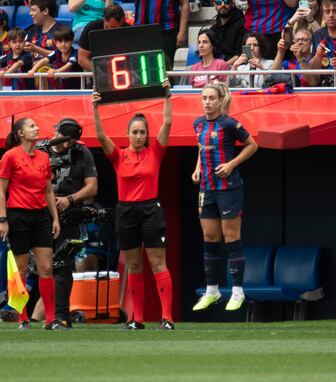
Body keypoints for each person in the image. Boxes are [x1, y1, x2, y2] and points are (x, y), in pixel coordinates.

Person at [91, 81, 174, 330]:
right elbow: (100, 135)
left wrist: (167, 96)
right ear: (128, 134)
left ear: (147, 134)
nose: (138, 136)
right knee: (134, 265)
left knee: (158, 264)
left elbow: (168, 123)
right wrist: (95, 107)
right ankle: (136, 319)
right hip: (125, 211)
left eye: (142, 132)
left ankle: (167, 318)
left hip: (150, 210)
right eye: (134, 132)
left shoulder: (155, 152)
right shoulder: (118, 155)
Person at [191, 82, 257, 312]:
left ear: (220, 100)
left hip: (229, 188)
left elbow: (252, 145)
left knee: (231, 238)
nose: (207, 102)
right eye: (204, 98)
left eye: (211, 98)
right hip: (206, 188)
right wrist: (197, 168)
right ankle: (212, 291)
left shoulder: (229, 124)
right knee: (210, 238)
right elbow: (201, 148)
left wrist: (231, 164)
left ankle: (238, 291)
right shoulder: (197, 124)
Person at [0, 117, 62, 330]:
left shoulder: (44, 157)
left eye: (36, 125)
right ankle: (23, 317)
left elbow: (48, 190)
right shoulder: (10, 156)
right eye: (32, 126)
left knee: (46, 268)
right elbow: (1, 189)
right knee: (21, 269)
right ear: (21, 133)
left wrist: (55, 218)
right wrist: (3, 219)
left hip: (41, 216)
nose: (37, 129)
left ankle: (50, 320)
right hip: (18, 216)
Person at [37, 118, 98, 327]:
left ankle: (61, 316)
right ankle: (33, 316)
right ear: (55, 131)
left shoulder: (82, 153)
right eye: (62, 139)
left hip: (69, 214)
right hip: (40, 213)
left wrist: (69, 199)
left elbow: (92, 187)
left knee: (64, 264)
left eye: (69, 141)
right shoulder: (40, 150)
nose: (64, 145)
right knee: (40, 266)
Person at [135, 0, 190, 69]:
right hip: (140, 31)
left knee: (164, 69)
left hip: (165, 32)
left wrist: (182, 32)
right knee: (140, 69)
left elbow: (185, 3)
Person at [28, 24, 83, 89]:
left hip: (77, 89)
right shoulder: (56, 52)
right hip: (63, 89)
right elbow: (44, 60)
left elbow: (69, 65)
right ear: (56, 43)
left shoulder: (76, 53)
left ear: (72, 42)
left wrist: (56, 71)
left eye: (66, 41)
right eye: (60, 41)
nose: (63, 44)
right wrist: (33, 70)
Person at [78, 3, 129, 72]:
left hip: (122, 68)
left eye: (113, 27)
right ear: (104, 19)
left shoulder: (129, 30)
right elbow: (82, 59)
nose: (108, 30)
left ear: (122, 21)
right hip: (95, 68)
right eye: (106, 27)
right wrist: (99, 74)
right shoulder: (91, 28)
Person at [209, 0, 245, 65]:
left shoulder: (242, 24)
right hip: (216, 66)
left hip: (236, 67)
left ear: (233, 3)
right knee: (188, 69)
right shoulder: (213, 29)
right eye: (218, 2)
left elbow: (241, 54)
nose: (222, 5)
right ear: (214, 4)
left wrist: (222, 67)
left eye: (226, 1)